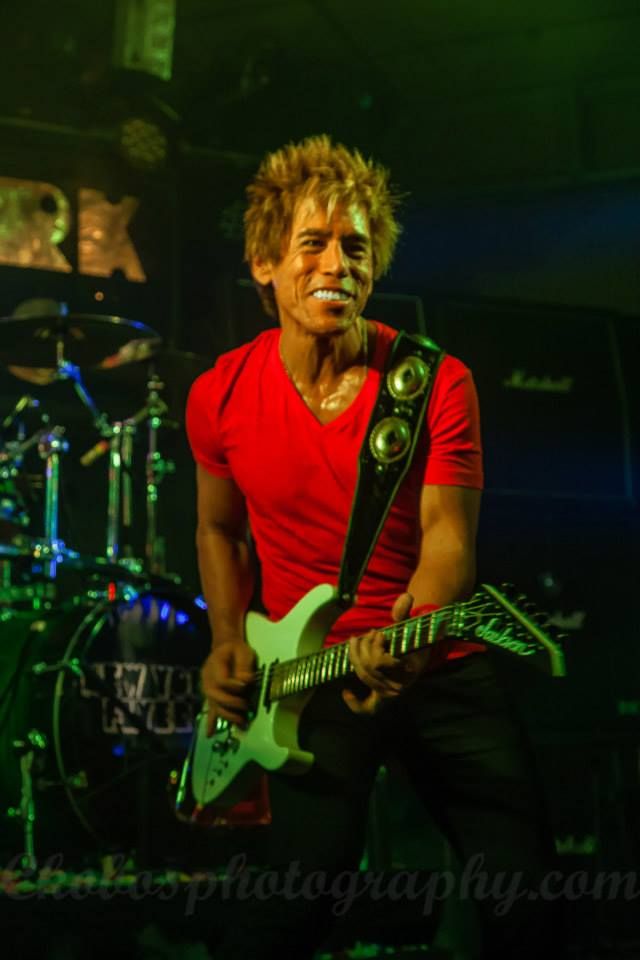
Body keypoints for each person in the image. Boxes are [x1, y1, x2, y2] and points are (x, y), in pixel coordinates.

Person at [186, 135, 562, 959]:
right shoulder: (219, 394)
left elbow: (447, 537)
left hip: (436, 660)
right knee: (283, 918)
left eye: (355, 247)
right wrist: (225, 638)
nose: (337, 264)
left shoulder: (436, 381)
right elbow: (218, 527)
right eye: (312, 243)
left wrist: (411, 640)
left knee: (528, 903)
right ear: (264, 263)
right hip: (305, 680)